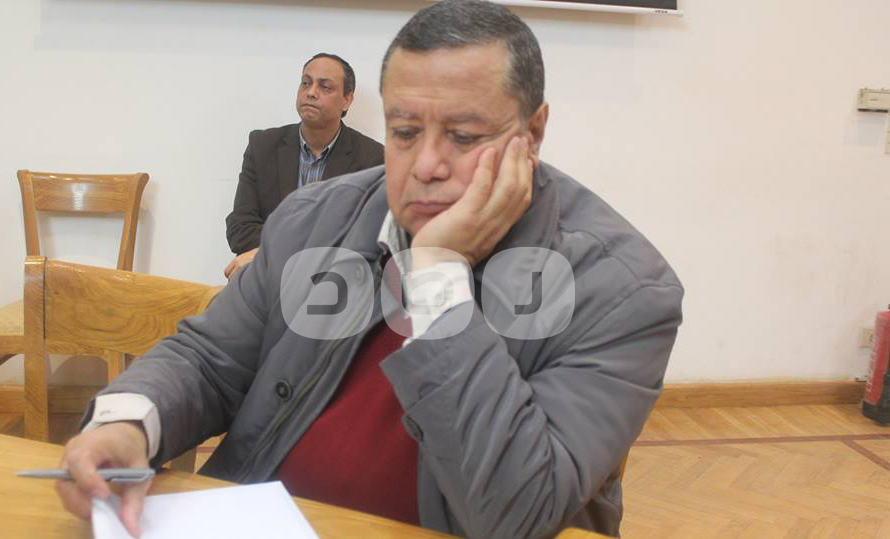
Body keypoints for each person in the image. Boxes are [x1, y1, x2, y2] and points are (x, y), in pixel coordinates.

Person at [56, 2, 684, 538]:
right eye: (405, 132)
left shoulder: (621, 290)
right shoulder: (314, 219)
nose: (427, 165)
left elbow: (514, 511)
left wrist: (437, 274)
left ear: (534, 132)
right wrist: (128, 424)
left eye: (465, 137)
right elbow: (209, 361)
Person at [224, 53, 384, 278]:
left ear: (347, 100)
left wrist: (271, 252)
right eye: (306, 83)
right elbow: (240, 228)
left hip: (332, 284)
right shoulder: (263, 146)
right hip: (268, 280)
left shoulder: (372, 159)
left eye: (325, 87)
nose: (311, 92)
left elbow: (360, 241)